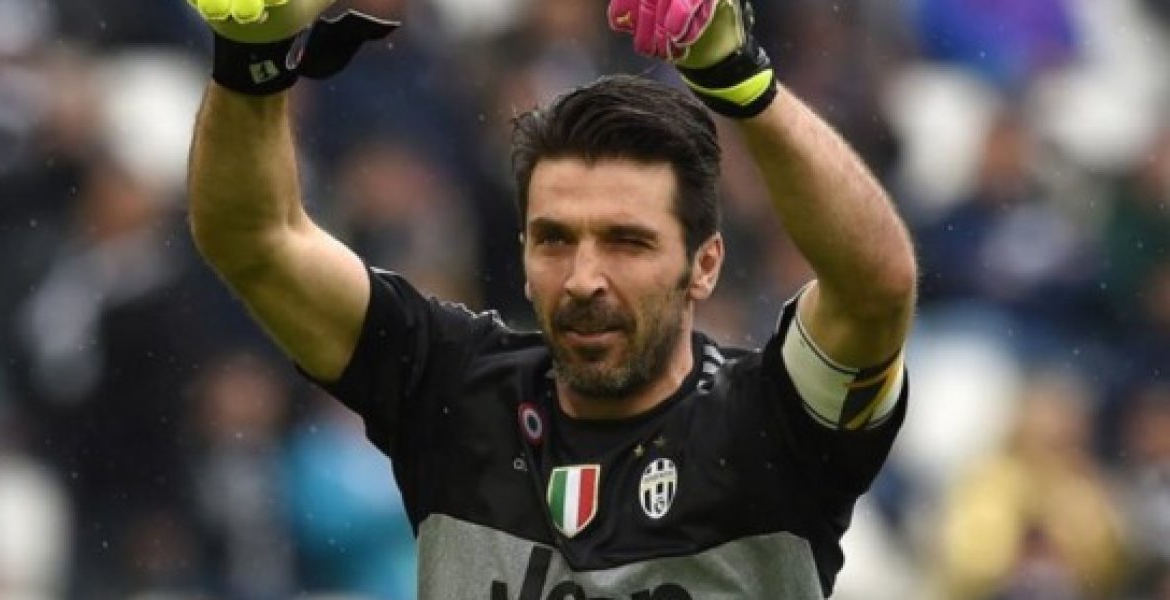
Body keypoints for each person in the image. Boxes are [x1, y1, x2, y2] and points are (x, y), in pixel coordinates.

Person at [184, 0, 916, 597]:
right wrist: (253, 61)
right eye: (555, 239)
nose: (584, 277)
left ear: (704, 266)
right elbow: (254, 239)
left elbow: (875, 288)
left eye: (627, 242)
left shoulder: (769, 423)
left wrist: (742, 83)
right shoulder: (452, 387)